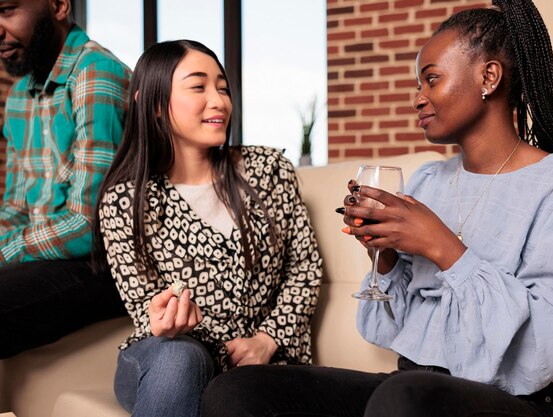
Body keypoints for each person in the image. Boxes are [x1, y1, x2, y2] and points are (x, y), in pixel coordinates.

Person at [201, 0, 553, 416]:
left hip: (514, 402)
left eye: (431, 80)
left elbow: (550, 348)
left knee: (404, 398)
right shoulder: (427, 181)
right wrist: (381, 257)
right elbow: (393, 331)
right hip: (412, 389)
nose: (418, 99)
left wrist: (443, 247)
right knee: (237, 391)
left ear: (489, 77)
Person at [94, 39, 323, 417]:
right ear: (153, 104)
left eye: (222, 87)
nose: (218, 101)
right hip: (162, 357)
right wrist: (164, 321)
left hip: (258, 365)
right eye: (198, 87)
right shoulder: (125, 200)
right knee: (180, 358)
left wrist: (268, 340)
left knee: (239, 394)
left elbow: (304, 267)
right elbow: (142, 304)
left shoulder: (269, 170)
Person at [0, 0, 130, 358]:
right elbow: (16, 207)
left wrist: (5, 249)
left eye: (8, 10)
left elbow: (89, 226)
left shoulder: (96, 73)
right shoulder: (18, 99)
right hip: (43, 259)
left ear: (59, 6)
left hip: (102, 263)